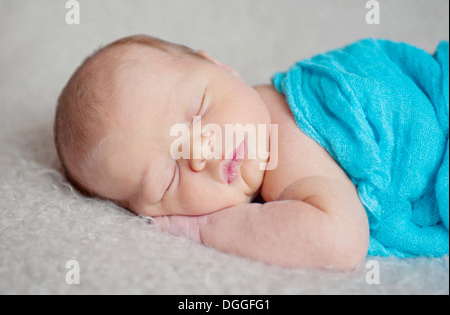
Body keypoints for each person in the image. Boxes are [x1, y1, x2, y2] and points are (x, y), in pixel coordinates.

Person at [54, 34, 448, 269]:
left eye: (196, 113)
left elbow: (342, 239)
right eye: (168, 177)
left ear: (222, 67)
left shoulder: (285, 139)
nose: (199, 153)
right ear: (149, 212)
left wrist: (205, 228)